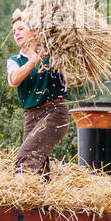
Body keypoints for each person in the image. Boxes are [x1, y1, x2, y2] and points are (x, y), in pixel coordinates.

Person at [7, 9, 69, 174]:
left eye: (21, 29)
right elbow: (14, 80)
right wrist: (33, 60)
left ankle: (22, 194)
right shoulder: (14, 61)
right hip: (30, 117)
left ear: (34, 30)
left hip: (54, 113)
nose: (16, 34)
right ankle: (43, 196)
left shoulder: (52, 52)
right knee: (39, 168)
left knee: (25, 158)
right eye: (14, 31)